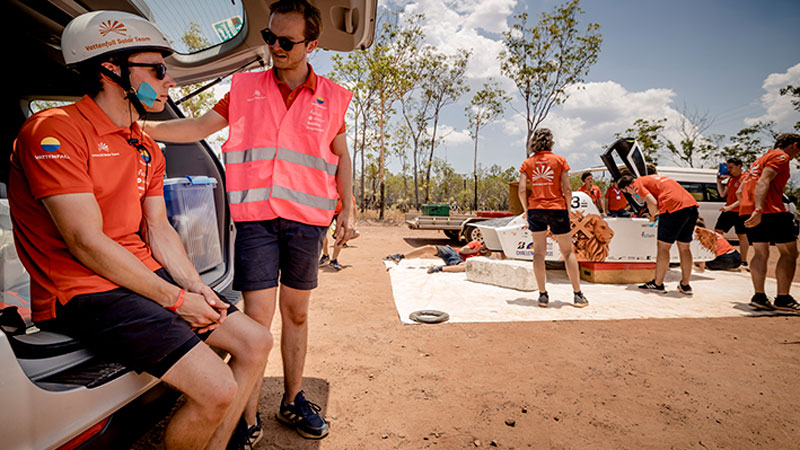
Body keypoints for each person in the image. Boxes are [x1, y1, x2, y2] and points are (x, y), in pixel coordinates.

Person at [8, 11, 271, 450]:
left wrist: (194, 287)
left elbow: (159, 228)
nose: (169, 82)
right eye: (158, 69)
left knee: (256, 342)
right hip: (83, 290)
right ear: (112, 70)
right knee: (218, 388)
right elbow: (84, 241)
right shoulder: (53, 131)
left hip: (139, 276)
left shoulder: (145, 145)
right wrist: (176, 300)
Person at [141, 0, 353, 439]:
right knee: (257, 322)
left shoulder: (333, 96)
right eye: (269, 37)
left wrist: (347, 206)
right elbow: (197, 127)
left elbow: (340, 155)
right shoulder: (243, 88)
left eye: (287, 41)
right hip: (256, 221)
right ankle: (248, 415)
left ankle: (293, 401)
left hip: (307, 221)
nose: (275, 46)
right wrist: (142, 127)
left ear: (311, 44)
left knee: (296, 314)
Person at [517, 128, 588, 308]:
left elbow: (522, 190)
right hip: (557, 208)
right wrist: (568, 208)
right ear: (551, 142)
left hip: (536, 209)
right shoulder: (560, 161)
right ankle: (578, 295)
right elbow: (567, 189)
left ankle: (542, 295)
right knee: (568, 252)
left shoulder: (527, 163)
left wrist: (527, 210)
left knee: (539, 253)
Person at [738, 133, 800, 313]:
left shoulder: (760, 160)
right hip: (769, 210)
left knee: (760, 252)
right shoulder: (781, 157)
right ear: (794, 145)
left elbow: (741, 190)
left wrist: (751, 208)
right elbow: (764, 180)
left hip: (748, 210)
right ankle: (783, 298)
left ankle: (759, 296)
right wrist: (759, 209)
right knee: (789, 253)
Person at [617, 173, 699, 294]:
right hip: (691, 207)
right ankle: (685, 285)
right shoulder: (652, 178)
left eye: (627, 192)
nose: (631, 194)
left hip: (673, 209)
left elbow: (652, 202)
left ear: (627, 187)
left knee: (663, 247)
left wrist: (653, 215)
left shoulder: (636, 184)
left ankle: (658, 284)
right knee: (684, 247)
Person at [714, 157, 749, 266]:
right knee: (717, 232)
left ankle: (743, 261)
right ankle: (718, 255)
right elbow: (722, 194)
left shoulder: (745, 178)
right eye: (728, 167)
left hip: (740, 211)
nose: (729, 170)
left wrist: (729, 207)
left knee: (742, 235)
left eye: (731, 167)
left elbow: (743, 198)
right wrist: (719, 182)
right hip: (728, 210)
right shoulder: (731, 179)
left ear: (739, 166)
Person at [383, 240, 490, 273]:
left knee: (465, 267)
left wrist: (486, 254)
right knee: (430, 248)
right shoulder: (476, 243)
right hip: (453, 252)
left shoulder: (487, 255)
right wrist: (477, 250)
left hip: (458, 262)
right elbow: (463, 250)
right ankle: (400, 257)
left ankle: (437, 269)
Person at [320, 196, 360, 271]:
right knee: (322, 235)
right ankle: (325, 255)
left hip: (340, 213)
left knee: (341, 235)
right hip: (328, 212)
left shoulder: (348, 194)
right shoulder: (328, 190)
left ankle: (334, 260)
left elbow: (354, 208)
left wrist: (353, 223)